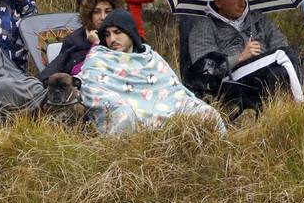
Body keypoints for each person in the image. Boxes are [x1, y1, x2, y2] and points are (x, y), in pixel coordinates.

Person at [76, 8, 223, 134]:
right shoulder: (99, 57)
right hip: (126, 108)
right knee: (125, 115)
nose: (112, 39)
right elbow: (91, 88)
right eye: (107, 35)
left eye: (117, 32)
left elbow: (173, 88)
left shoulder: (150, 57)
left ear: (130, 32)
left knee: (207, 113)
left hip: (166, 105)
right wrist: (123, 104)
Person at [186, 0, 304, 108]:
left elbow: (280, 43)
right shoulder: (204, 27)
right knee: (284, 54)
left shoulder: (258, 19)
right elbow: (206, 71)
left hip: (262, 74)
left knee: (281, 69)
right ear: (219, 2)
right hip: (230, 82)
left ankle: (281, 118)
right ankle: (301, 109)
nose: (242, 3)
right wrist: (241, 57)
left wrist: (265, 59)